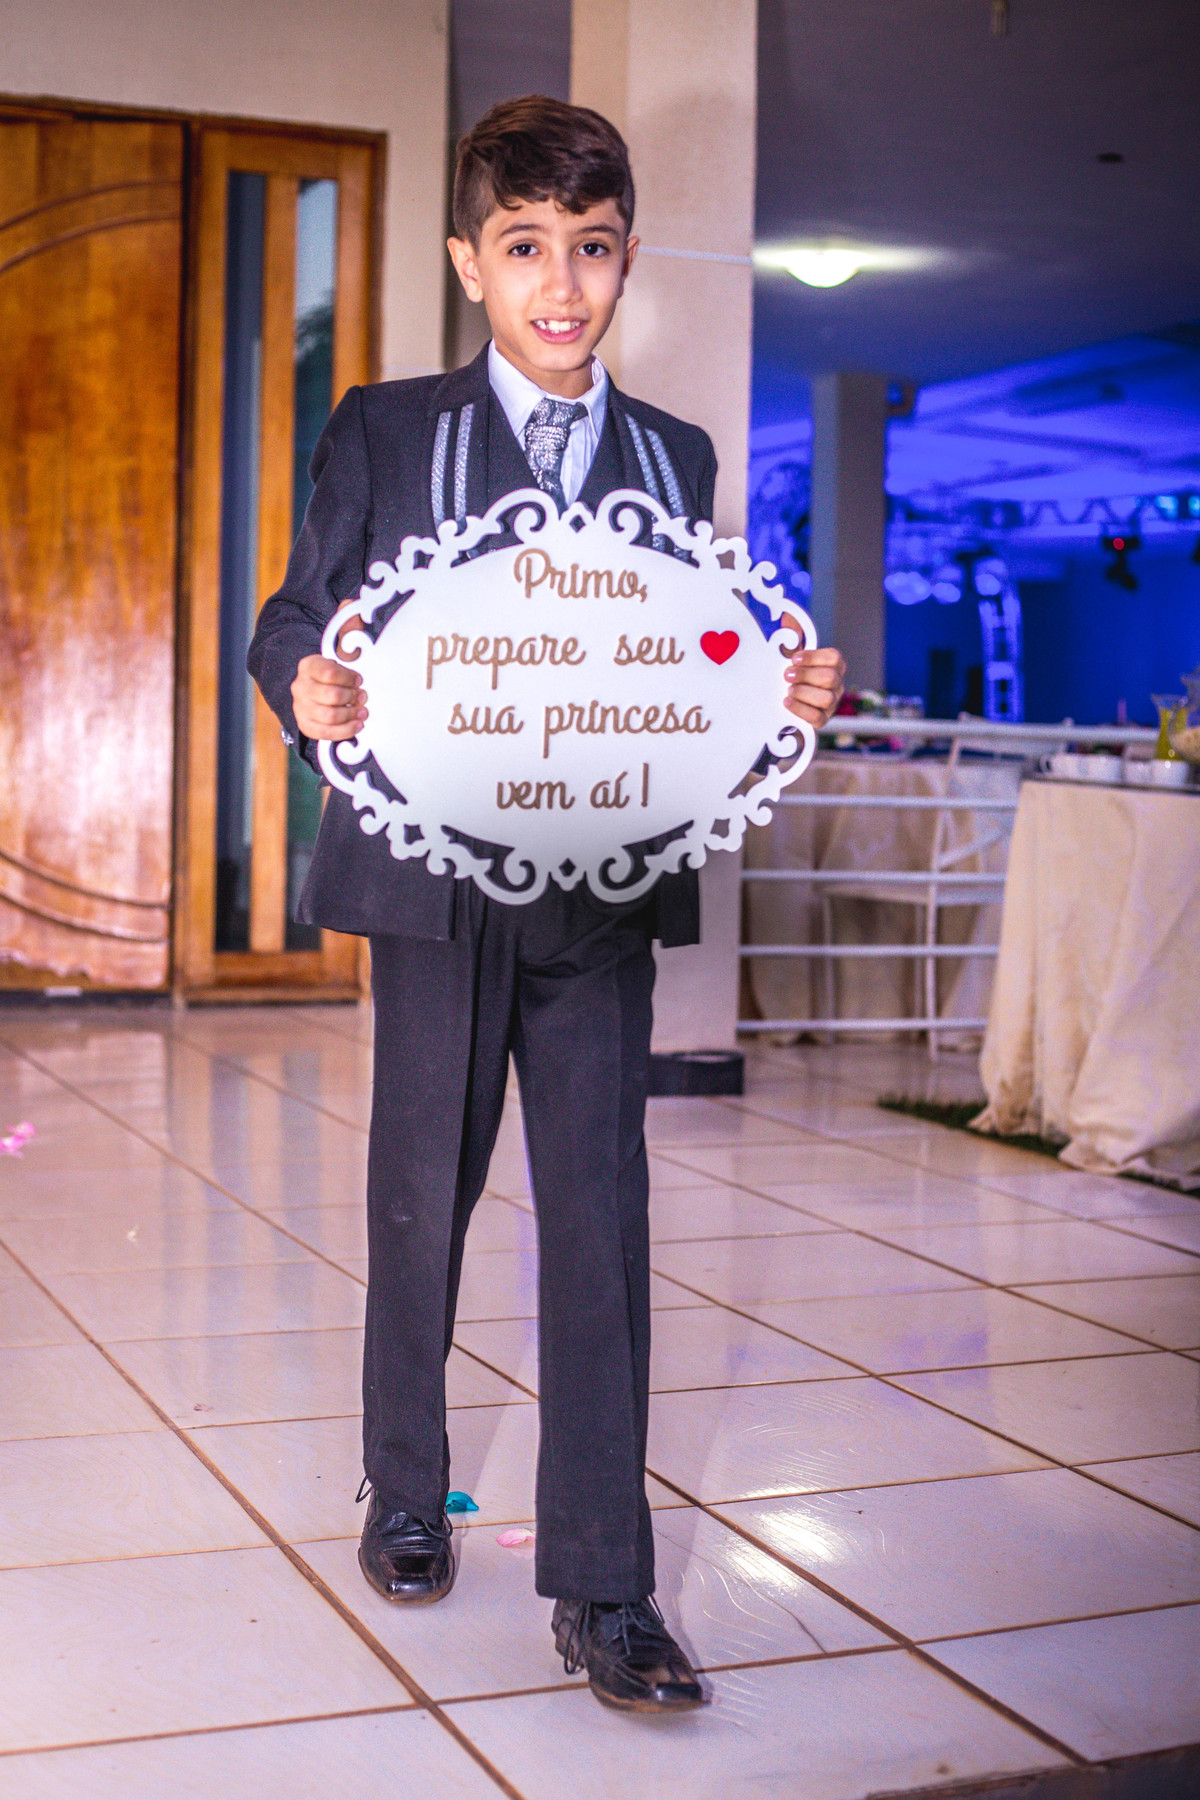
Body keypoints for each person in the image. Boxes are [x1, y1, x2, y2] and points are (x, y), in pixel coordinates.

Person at [249, 95, 845, 1714]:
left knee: (601, 1224)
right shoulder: (388, 430)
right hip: (432, 889)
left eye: (590, 249)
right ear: (471, 263)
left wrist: (775, 686)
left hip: (599, 900)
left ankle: (605, 1582)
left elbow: (697, 651)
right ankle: (403, 1483)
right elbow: (294, 615)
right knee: (416, 1201)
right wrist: (305, 687)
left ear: (628, 258)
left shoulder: (674, 457)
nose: (560, 285)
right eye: (525, 250)